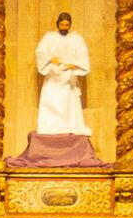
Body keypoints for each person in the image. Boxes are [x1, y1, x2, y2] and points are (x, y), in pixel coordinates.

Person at [30, 10, 94, 145]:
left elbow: (82, 54)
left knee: (68, 104)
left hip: (68, 78)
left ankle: (69, 125)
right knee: (52, 101)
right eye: (62, 24)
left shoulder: (76, 38)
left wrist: (73, 65)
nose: (64, 27)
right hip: (53, 77)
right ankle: (50, 126)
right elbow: (40, 51)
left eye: (67, 25)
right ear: (57, 24)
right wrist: (50, 59)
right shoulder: (49, 37)